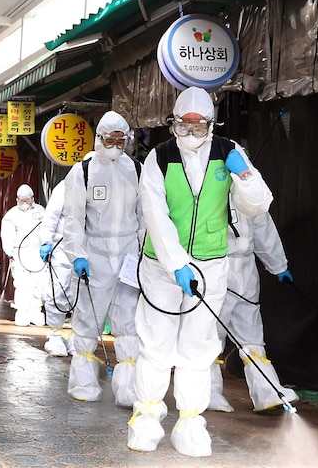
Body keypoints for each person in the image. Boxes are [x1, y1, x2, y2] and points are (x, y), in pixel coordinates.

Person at [129, 87, 273, 457]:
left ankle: (190, 423)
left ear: (211, 123)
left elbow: (257, 206)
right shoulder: (158, 158)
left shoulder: (229, 152)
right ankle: (147, 419)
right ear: (174, 123)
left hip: (211, 265)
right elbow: (155, 216)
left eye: (199, 124)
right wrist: (176, 264)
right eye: (184, 124)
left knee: (198, 347)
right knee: (156, 344)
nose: (191, 130)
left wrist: (245, 178)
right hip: (162, 268)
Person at [62, 111, 143, 405]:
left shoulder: (135, 168)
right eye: (111, 138)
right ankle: (82, 384)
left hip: (128, 255)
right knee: (87, 319)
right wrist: (78, 255)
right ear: (100, 137)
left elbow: (143, 215)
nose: (116, 143)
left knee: (130, 321)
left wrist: (143, 252)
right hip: (95, 253)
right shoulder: (83, 171)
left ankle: (128, 389)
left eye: (122, 138)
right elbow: (73, 219)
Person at [209, 210, 298, 413]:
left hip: (245, 268)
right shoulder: (206, 183)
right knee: (211, 333)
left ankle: (267, 391)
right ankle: (207, 393)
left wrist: (278, 265)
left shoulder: (248, 187)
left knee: (251, 333)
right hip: (213, 264)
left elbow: (262, 225)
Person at [38, 179, 77, 357]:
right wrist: (46, 241)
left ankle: (77, 338)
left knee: (82, 296)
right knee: (58, 292)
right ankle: (55, 335)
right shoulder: (65, 186)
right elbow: (51, 216)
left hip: (89, 251)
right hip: (62, 249)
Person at [1, 184, 46, 326]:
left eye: (28, 200)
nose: (25, 203)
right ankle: (23, 313)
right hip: (20, 253)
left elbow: (47, 229)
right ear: (17, 199)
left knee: (39, 284)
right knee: (22, 284)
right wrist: (9, 251)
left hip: (37, 253)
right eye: (23, 200)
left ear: (32, 199)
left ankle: (36, 311)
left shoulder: (41, 211)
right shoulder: (12, 214)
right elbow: (7, 234)